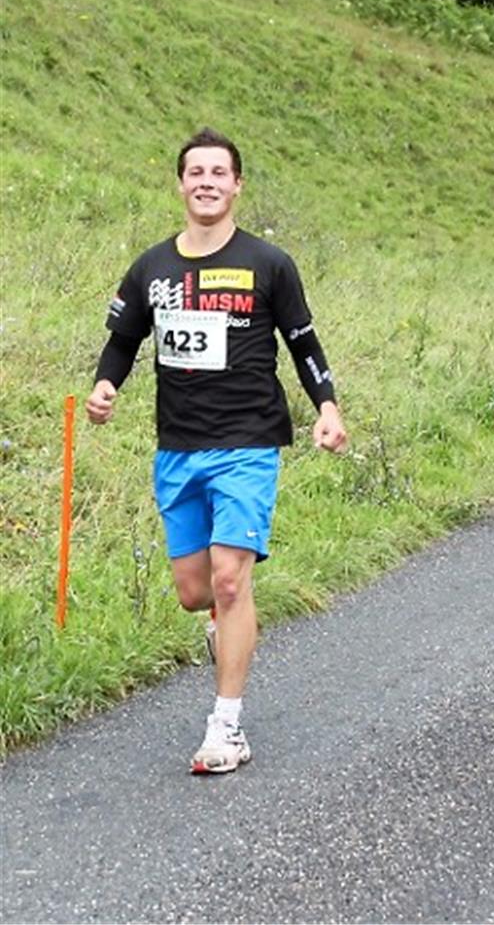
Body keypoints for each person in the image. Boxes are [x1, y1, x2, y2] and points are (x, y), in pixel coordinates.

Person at [85, 127, 347, 774]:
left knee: (231, 581)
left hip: (248, 442)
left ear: (237, 185)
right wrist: (104, 386)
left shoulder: (269, 263)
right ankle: (225, 631)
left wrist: (328, 409)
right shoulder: (152, 267)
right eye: (195, 172)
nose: (206, 181)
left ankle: (225, 727)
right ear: (181, 184)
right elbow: (123, 339)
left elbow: (303, 345)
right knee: (194, 591)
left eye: (218, 172)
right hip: (178, 447)